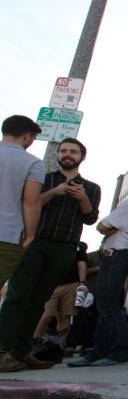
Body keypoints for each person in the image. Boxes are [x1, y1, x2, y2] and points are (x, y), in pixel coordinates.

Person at [0, 137, 101, 373]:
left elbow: (90, 218)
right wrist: (54, 192)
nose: (67, 154)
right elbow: (29, 204)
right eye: (64, 151)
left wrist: (82, 198)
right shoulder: (42, 178)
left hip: (64, 247)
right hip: (34, 243)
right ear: (58, 155)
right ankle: (3, 351)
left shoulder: (92, 187)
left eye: (73, 151)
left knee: (39, 302)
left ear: (82, 157)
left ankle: (22, 353)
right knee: (17, 297)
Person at [69, 171, 128, 367]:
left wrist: (112, 228)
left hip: (119, 254)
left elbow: (101, 226)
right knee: (106, 304)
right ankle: (99, 350)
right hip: (126, 254)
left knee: (106, 304)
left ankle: (122, 349)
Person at [0, 115, 43, 290]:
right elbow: (30, 202)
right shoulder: (33, 163)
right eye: (33, 137)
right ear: (26, 136)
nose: (31, 141)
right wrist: (30, 235)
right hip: (7, 235)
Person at [33, 242, 88, 342]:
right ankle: (35, 342)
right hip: (51, 286)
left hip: (72, 285)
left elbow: (82, 265)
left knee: (65, 316)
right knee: (46, 315)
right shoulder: (52, 247)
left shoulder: (79, 248)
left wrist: (82, 283)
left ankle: (59, 345)